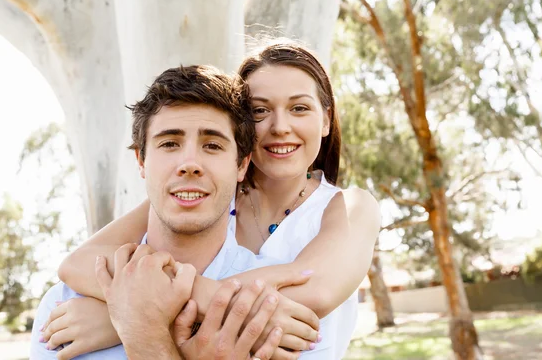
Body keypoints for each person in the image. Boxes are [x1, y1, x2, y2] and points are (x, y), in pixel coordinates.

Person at [43, 41, 381, 359]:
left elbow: (313, 296)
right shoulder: (206, 193)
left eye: (299, 108)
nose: (280, 126)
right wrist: (137, 308)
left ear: (325, 119)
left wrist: (124, 316)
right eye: (261, 111)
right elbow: (79, 263)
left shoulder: (348, 207)